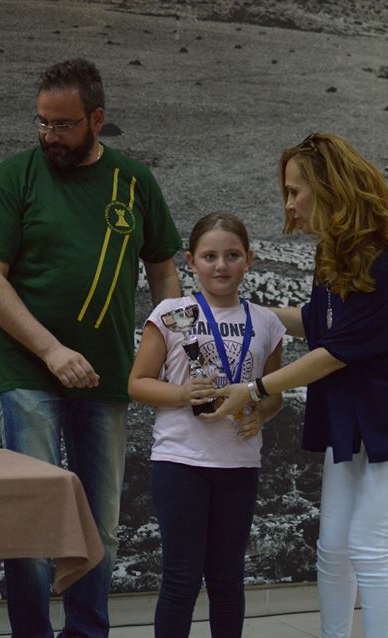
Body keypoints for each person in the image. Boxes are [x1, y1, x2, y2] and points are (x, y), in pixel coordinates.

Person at [0, 59, 182, 638]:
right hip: (28, 371)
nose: (49, 136)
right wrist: (52, 351)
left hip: (106, 375)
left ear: (97, 119)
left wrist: (174, 351)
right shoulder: (15, 176)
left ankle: (88, 632)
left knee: (98, 521)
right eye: (42, 122)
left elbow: (164, 273)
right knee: (34, 515)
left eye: (63, 125)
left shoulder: (134, 182)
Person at [203, 133, 388, 638]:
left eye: (295, 191)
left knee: (369, 547)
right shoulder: (334, 251)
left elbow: (333, 354)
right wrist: (242, 312)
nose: (288, 204)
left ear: (330, 188)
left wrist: (254, 389)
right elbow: (318, 321)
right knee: (333, 547)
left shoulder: (385, 263)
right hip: (357, 416)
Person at [128, 212, 285, 638]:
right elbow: (137, 383)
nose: (221, 265)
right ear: (191, 260)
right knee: (181, 579)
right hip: (180, 462)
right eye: (210, 256)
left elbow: (274, 394)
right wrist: (182, 395)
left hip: (239, 464)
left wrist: (261, 413)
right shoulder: (171, 312)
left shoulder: (266, 323)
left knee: (228, 580)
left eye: (232, 255)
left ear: (249, 259)